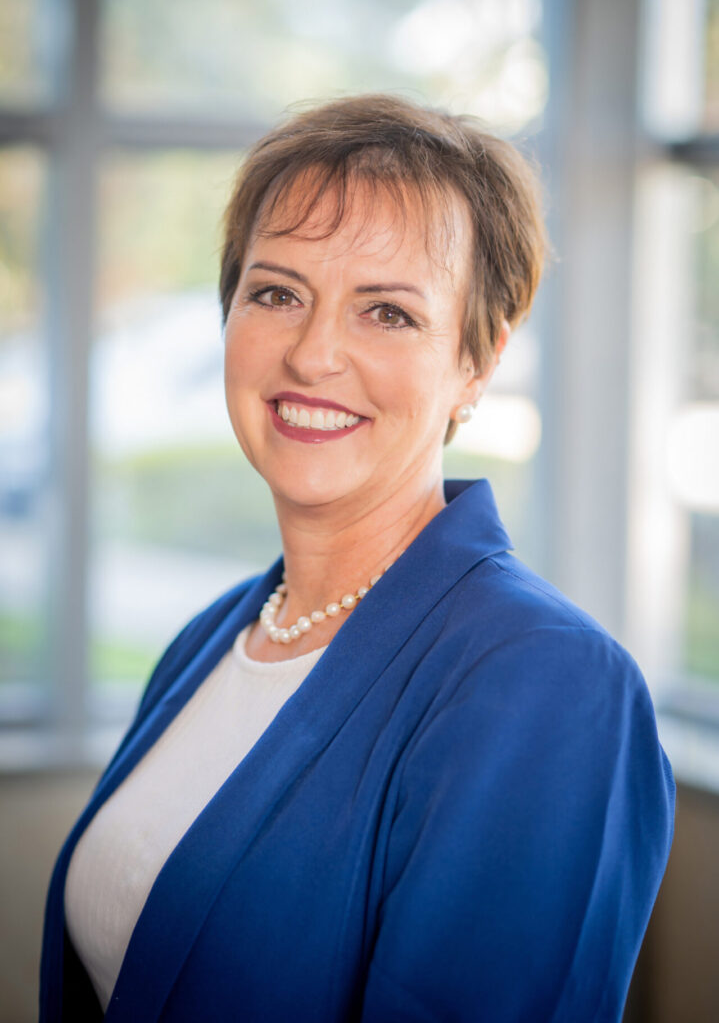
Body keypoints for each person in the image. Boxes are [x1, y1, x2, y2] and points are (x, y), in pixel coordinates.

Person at [40, 94, 674, 1022]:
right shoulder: (213, 638)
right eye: (277, 293)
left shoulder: (550, 683)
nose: (314, 354)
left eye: (387, 312)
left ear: (475, 362)